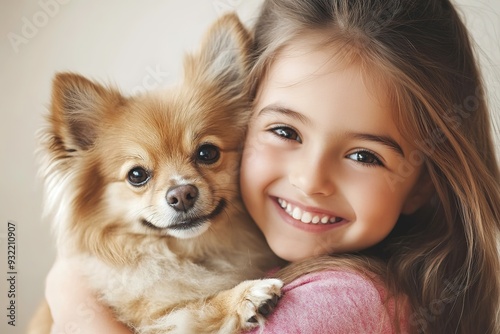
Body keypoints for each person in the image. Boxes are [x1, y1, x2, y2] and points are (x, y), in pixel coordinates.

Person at [45, 0, 500, 333]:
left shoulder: (340, 303)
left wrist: (73, 300)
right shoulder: (279, 266)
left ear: (424, 182)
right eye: (286, 132)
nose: (309, 180)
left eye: (365, 155)